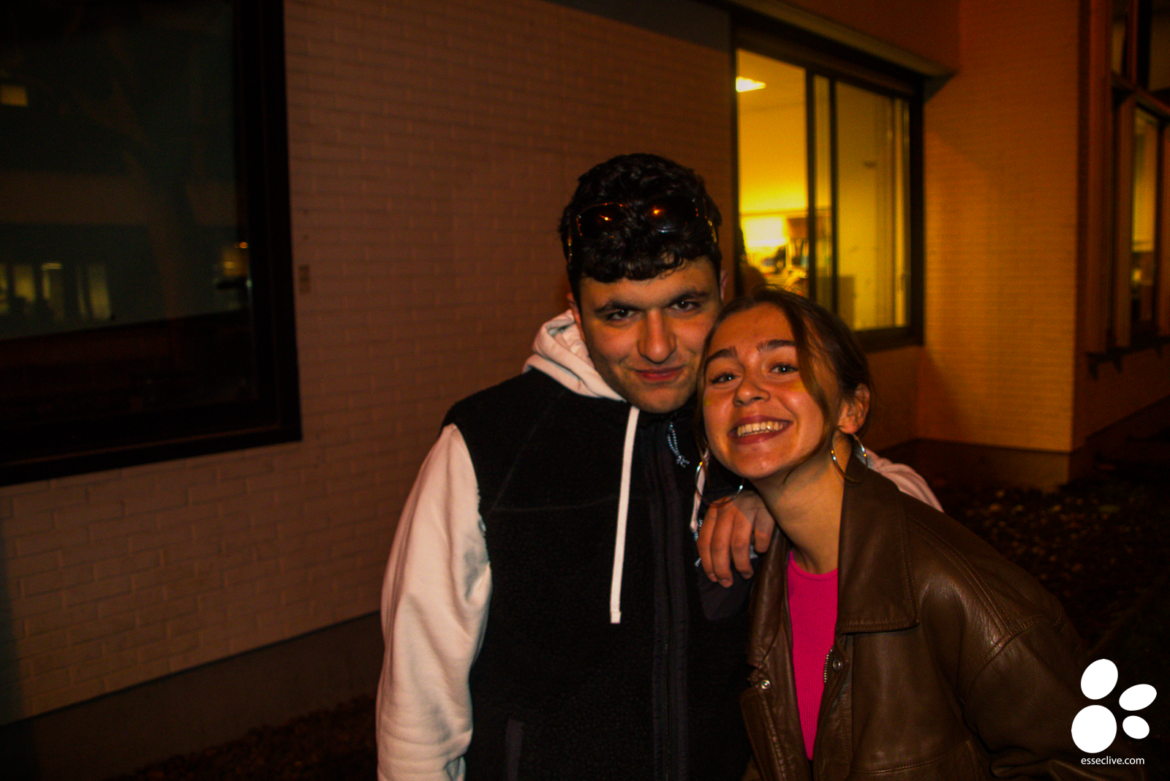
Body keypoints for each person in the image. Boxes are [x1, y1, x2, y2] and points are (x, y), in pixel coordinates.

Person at [375, 154, 937, 781]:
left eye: (685, 305)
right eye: (620, 313)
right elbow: (417, 706)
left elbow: (918, 511)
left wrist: (790, 496)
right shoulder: (490, 441)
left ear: (723, 287)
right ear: (575, 308)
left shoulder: (754, 421)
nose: (658, 346)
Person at [697, 286, 1145, 781]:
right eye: (723, 376)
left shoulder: (951, 583)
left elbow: (1105, 765)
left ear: (852, 409)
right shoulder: (770, 576)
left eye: (782, 366)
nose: (745, 391)